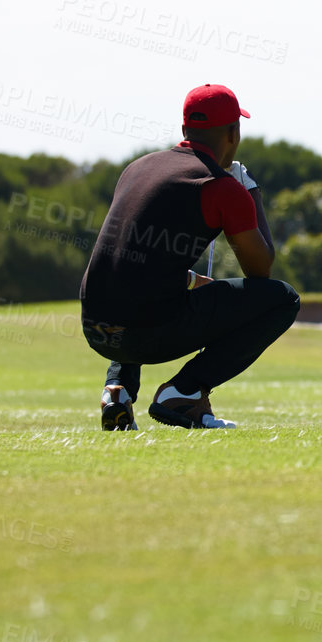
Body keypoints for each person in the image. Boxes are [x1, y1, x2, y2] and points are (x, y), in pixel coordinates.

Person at [79, 84, 300, 430]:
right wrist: (251, 192)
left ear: (185, 130)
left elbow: (137, 261)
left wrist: (197, 283)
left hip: (97, 332)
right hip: (146, 334)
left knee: (131, 296)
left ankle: (117, 391)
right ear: (233, 133)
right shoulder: (222, 187)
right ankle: (184, 392)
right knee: (284, 300)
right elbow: (261, 268)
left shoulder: (137, 168)